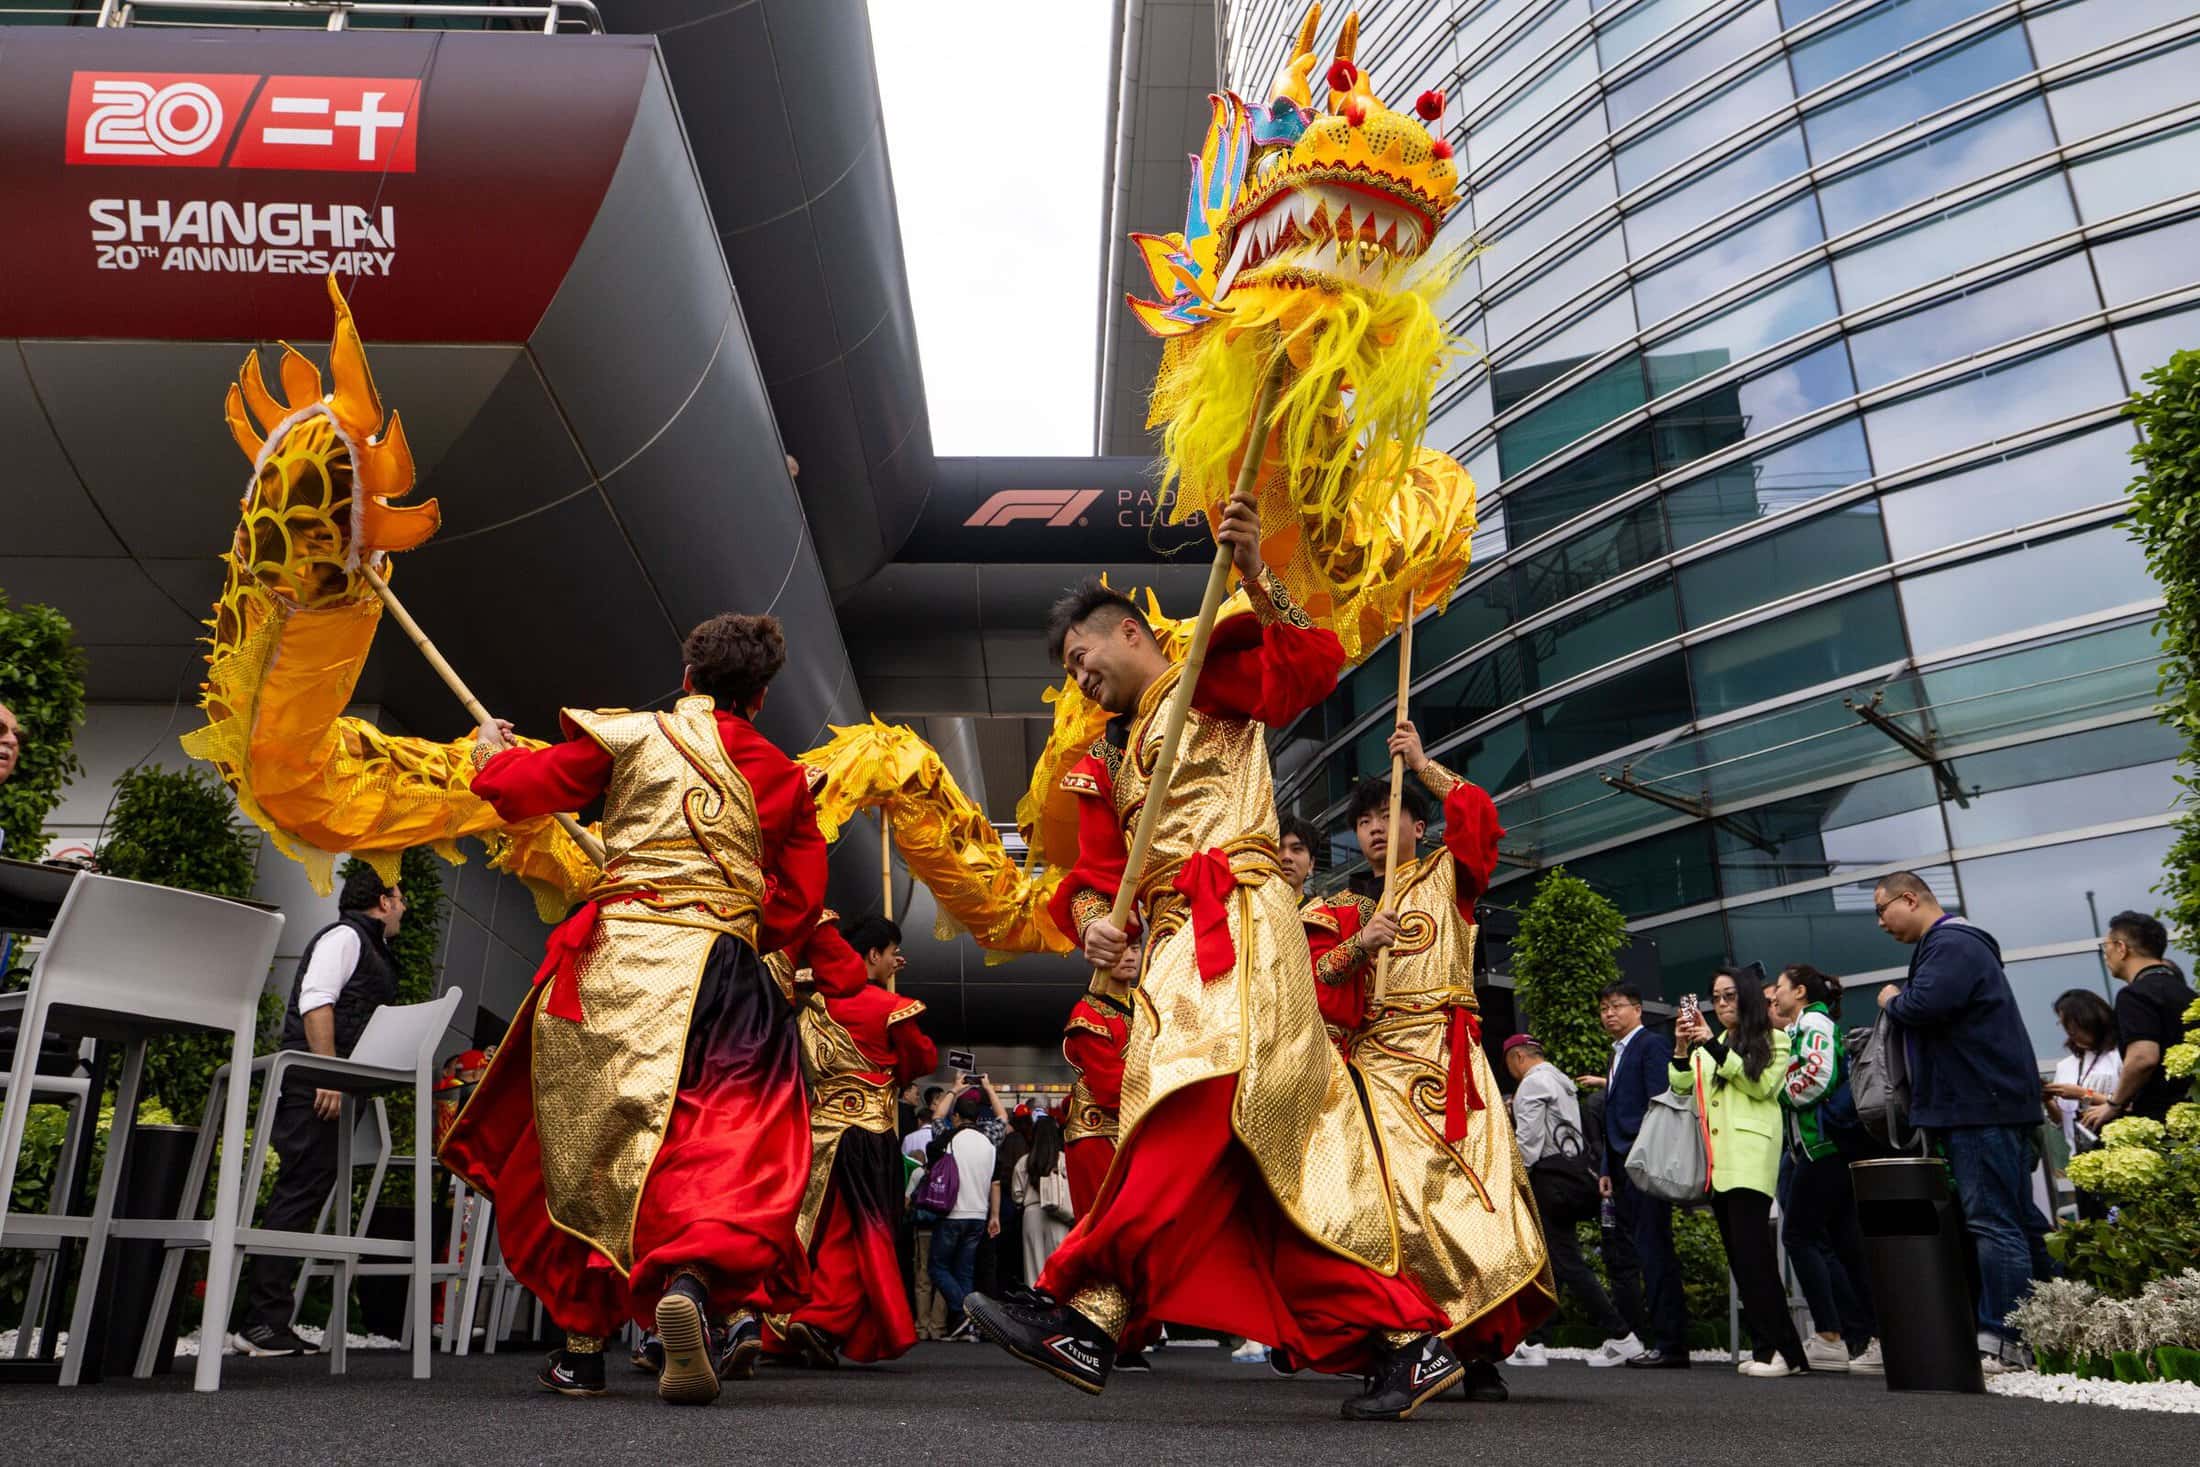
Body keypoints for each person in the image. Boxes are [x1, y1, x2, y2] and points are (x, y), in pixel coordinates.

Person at [966, 485, 1455, 1422]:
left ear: (1133, 634)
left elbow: (1308, 665)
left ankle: (1085, 1307)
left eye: (1083, 658)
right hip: (1173, 946)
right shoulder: (1114, 758)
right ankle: (1406, 1337)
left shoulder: (1206, 676)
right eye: (1070, 674)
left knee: (1186, 1105)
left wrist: (1262, 572)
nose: (1080, 681)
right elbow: (1090, 878)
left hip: (1236, 924)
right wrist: (1092, 926)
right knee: (1250, 1173)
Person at [440, 611, 826, 1405]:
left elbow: (517, 790)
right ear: (759, 699)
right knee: (715, 1138)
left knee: (594, 1139)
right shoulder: (783, 776)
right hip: (724, 968)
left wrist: (488, 755)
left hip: (616, 963)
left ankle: (582, 1349)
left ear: (688, 678)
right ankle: (689, 1278)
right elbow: (801, 903)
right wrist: (732, 915)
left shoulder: (633, 735)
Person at [1338, 729, 1556, 1404]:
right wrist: (1353, 947)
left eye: (1388, 815)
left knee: (1472, 1205)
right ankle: (1405, 1343)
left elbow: (1481, 816)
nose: (1375, 829)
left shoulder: (1447, 873)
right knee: (1390, 1211)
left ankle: (1478, 1349)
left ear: (1418, 823)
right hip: (1376, 1067)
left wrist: (1422, 764)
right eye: (1364, 822)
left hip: (1448, 1063)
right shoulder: (1345, 905)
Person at [1873, 871, 2049, 1373]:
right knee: (2018, 1223)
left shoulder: (1950, 943)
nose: (1881, 923)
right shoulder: (1957, 943)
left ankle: (2004, 1339)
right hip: (1986, 1105)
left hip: (1977, 1107)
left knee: (1993, 1222)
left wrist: (1890, 1000)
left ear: (1910, 898)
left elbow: (1923, 1005)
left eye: (1882, 910)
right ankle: (2048, 1330)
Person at [232, 866, 406, 1357]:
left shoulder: (365, 943)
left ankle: (264, 1321)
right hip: (316, 1083)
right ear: (384, 901)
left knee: (305, 1195)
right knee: (297, 1193)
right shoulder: (345, 938)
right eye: (401, 898)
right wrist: (330, 1075)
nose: (405, 909)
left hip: (329, 1083)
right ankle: (260, 1325)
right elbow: (316, 1004)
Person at [769, 914, 937, 1368]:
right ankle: (821, 1318)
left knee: (805, 1228)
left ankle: (777, 1326)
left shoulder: (809, 1005)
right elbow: (922, 1057)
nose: (894, 962)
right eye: (891, 953)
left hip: (812, 1130)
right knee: (858, 1231)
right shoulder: (886, 1006)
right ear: (872, 955)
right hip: (867, 1131)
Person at [1673, 966, 1806, 1378]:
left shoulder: (1775, 1038)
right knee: (1741, 1260)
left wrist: (1711, 1045)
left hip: (1749, 1157)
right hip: (1717, 1162)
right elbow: (1680, 1086)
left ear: (1747, 997)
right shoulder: (1710, 1044)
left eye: (1730, 996)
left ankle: (1787, 1353)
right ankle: (1768, 1349)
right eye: (1716, 997)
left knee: (1755, 1259)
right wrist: (1681, 1048)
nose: (1722, 1004)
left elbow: (1760, 1084)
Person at [1767, 964, 1880, 1374]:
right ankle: (1869, 1337)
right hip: (1824, 1147)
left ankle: (1830, 1337)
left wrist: (1774, 1094)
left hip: (1822, 1145)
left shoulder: (1812, 1022)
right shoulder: (1806, 1024)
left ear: (1798, 991)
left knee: (1798, 1234)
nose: (1773, 996)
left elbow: (1817, 1076)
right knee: (1846, 1244)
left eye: (1778, 988)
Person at [1502, 1034, 1634, 1369]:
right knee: (1555, 1261)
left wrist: (1511, 1179)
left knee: (1566, 1262)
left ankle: (1621, 1336)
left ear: (1517, 1057)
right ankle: (1536, 1341)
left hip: (1549, 1181)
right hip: (1573, 1177)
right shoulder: (1561, 1081)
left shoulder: (1532, 1085)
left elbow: (1529, 1143)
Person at [1597, 981, 1689, 1368]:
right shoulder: (1616, 1053)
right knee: (1638, 1250)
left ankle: (1672, 1345)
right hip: (1621, 1163)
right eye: (1603, 1008)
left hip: (1644, 1158)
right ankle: (1659, 1340)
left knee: (1655, 1249)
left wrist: (1643, 1152)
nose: (1609, 1014)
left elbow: (1660, 1101)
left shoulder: (1649, 1044)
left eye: (1616, 1005)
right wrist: (1606, 1167)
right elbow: (1612, 1114)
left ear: (1638, 1008)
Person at [2084, 910, 2195, 1128]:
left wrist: (2114, 1104)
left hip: (2161, 1120)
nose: (2106, 956)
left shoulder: (2134, 995)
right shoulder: (2187, 994)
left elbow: (2143, 1058)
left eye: (2106, 947)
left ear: (2121, 948)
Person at [926, 1093, 999, 1338]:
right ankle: (968, 1328)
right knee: (964, 1272)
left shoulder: (949, 1136)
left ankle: (964, 1313)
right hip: (979, 1214)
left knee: (937, 1267)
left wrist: (953, 1090)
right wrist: (989, 1087)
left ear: (955, 1116)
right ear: (978, 1118)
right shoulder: (989, 1140)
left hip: (952, 1213)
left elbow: (936, 1117)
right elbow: (1002, 1117)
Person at [2044, 988, 2120, 1220]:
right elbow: (2060, 1120)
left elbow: (2128, 1103)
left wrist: (2083, 1094)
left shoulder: (2118, 1055)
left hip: (2117, 1155)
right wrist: (2047, 1100)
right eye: (2066, 1027)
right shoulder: (2066, 1065)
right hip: (2082, 1161)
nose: (2071, 1034)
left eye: (2075, 1027)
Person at [1011, 1111, 1074, 1281]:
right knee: (1057, 1266)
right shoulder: (1064, 1160)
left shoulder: (1024, 1162)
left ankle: (1035, 1303)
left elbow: (1017, 1196)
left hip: (1031, 1215)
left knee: (1033, 1267)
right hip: (1058, 1214)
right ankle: (1055, 1303)